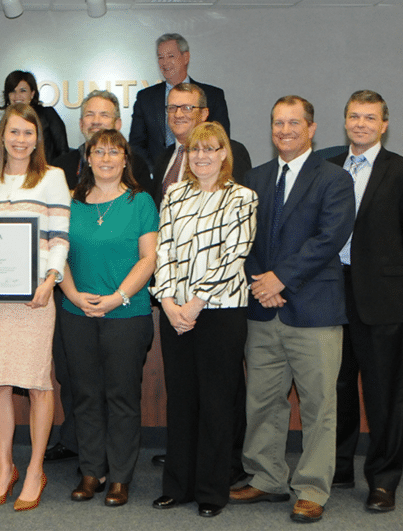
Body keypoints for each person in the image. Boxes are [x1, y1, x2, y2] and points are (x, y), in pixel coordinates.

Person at [231, 96, 355, 524]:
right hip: (263, 309)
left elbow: (329, 237)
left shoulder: (334, 178)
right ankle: (266, 478)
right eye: (278, 123)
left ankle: (312, 489)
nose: (285, 130)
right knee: (263, 401)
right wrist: (261, 282)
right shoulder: (255, 178)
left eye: (293, 123)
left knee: (319, 406)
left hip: (314, 311)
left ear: (312, 129)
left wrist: (279, 279)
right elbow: (241, 237)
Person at [329, 90, 403, 512]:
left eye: (370, 118)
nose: (361, 124)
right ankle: (338, 467)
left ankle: (384, 481)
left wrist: (399, 285)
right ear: (345, 121)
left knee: (383, 393)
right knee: (335, 387)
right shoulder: (328, 167)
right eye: (355, 116)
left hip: (380, 296)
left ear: (384, 125)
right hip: (331, 292)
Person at [0, 103, 70, 511]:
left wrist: (50, 281)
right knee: (0, 384)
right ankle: (5, 467)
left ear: (37, 137)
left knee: (39, 384)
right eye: (13, 132)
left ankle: (35, 468)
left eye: (28, 132)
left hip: (34, 296)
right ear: (1, 136)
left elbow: (60, 236)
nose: (20, 140)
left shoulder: (52, 177)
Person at [149, 122, 257, 518]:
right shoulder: (174, 194)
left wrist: (195, 304)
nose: (202, 156)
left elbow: (234, 256)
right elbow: (164, 251)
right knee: (181, 401)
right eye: (196, 149)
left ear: (224, 154)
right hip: (175, 313)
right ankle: (178, 486)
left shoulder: (242, 197)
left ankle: (212, 489)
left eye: (211, 149)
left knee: (216, 402)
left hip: (220, 313)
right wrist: (167, 301)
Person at [46, 90, 154, 467]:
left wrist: (116, 298)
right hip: (77, 312)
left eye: (113, 152)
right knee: (85, 395)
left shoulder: (141, 201)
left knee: (121, 397)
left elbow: (149, 259)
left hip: (126, 313)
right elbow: (57, 253)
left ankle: (120, 476)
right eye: (98, 152)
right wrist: (74, 296)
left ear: (125, 158)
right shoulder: (69, 202)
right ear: (87, 158)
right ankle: (91, 470)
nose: (106, 159)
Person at [130, 33, 230, 169]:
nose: (164, 62)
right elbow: (136, 145)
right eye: (160, 57)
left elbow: (221, 140)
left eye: (171, 56)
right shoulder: (145, 97)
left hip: (201, 171)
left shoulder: (213, 96)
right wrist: (156, 173)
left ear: (186, 57)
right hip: (157, 176)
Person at [2, 71, 68, 163]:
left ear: (32, 94)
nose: (17, 96)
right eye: (13, 91)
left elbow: (63, 152)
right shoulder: (5, 120)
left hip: (46, 170)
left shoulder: (48, 114)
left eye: (23, 91)